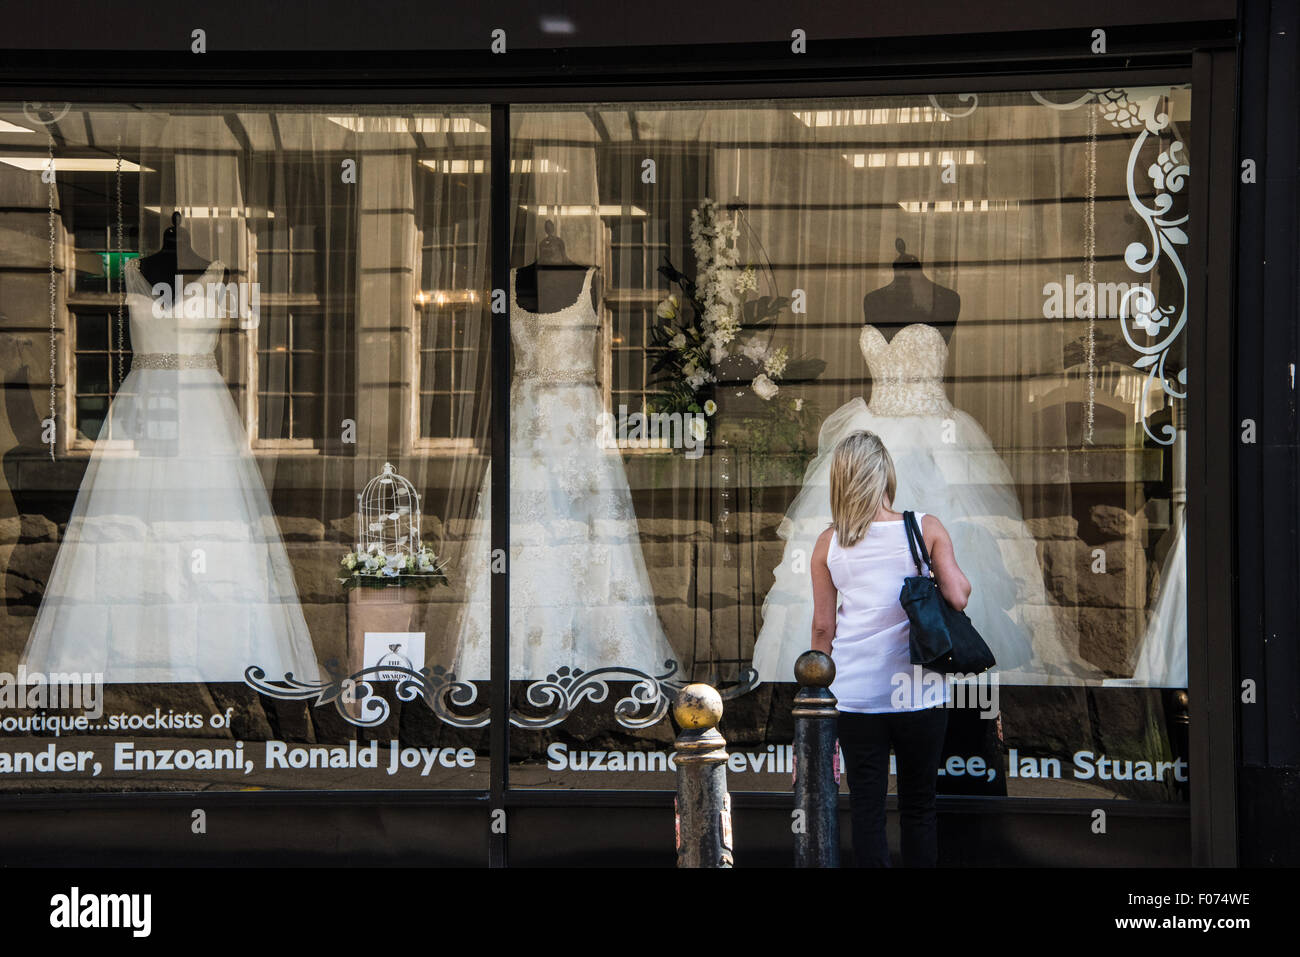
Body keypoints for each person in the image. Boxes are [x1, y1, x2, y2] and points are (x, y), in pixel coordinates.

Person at [810, 429, 969, 867]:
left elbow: (823, 628)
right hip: (919, 690)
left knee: (866, 810)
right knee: (919, 807)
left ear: (842, 481)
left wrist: (815, 696)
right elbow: (958, 597)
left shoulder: (828, 543)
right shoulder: (925, 527)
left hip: (856, 696)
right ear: (885, 475)